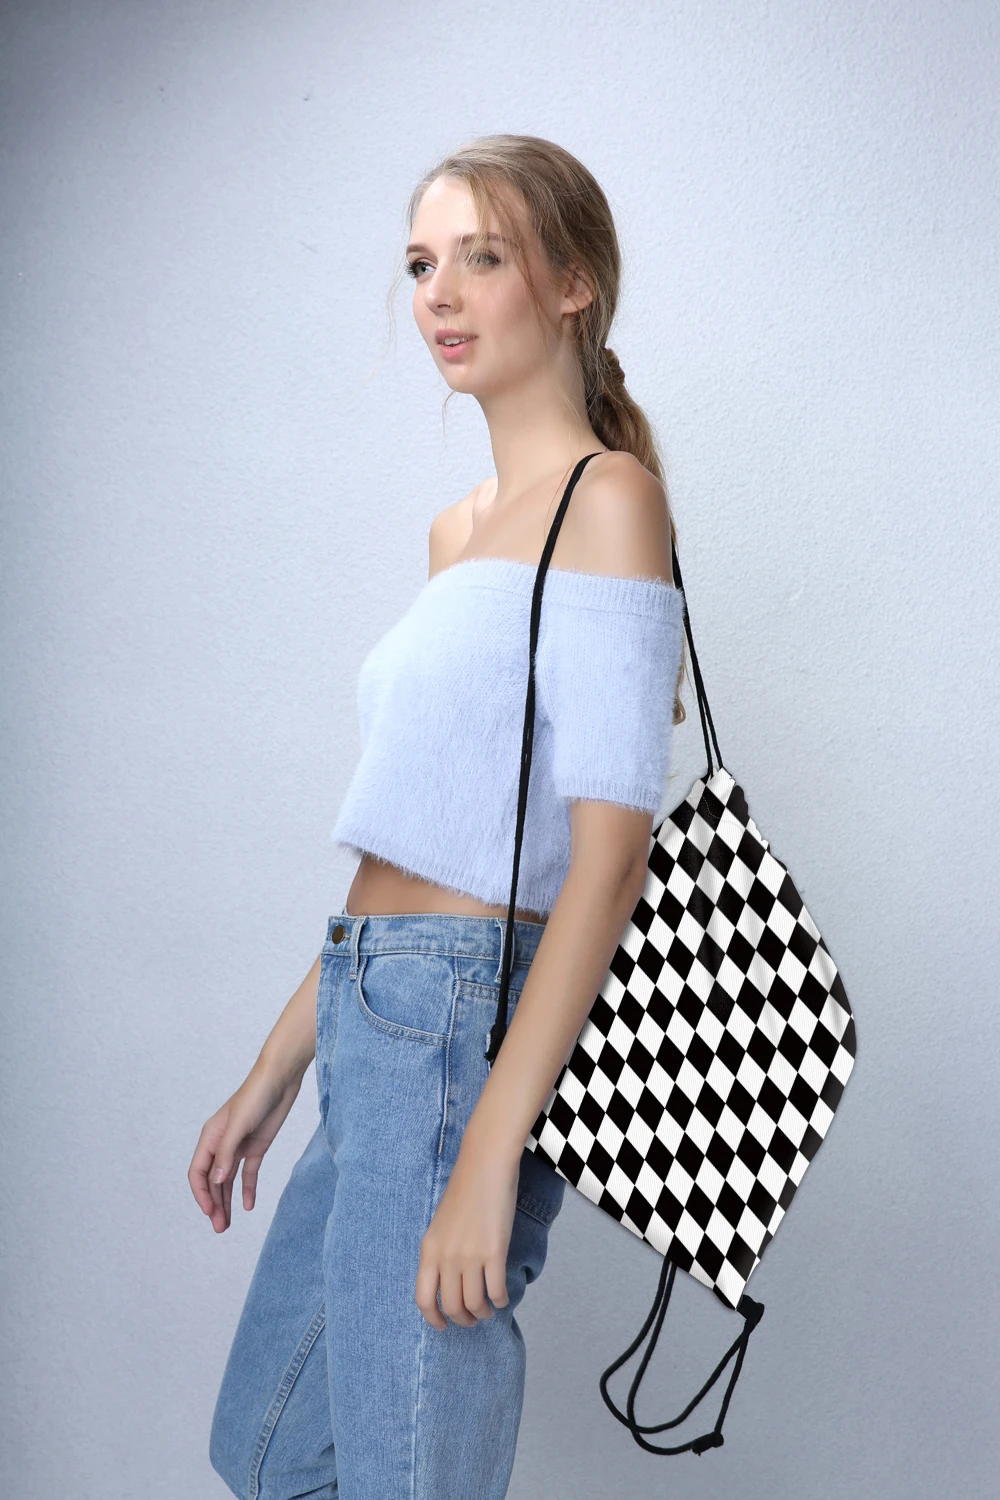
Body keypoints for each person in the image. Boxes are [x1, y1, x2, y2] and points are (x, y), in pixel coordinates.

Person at [189, 133, 688, 1500]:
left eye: (482, 256)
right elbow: (414, 841)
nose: (440, 295)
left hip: (465, 1029)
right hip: (373, 1009)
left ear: (573, 283)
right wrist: (275, 1071)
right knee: (271, 1449)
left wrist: (487, 1153)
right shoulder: (456, 533)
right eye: (421, 264)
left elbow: (608, 863)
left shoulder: (610, 501)